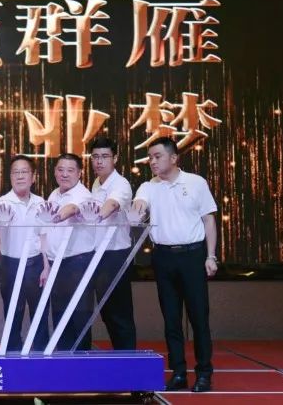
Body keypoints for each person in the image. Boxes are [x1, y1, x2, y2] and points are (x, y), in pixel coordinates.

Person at [132, 137, 218, 393]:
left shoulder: (196, 182)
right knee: (171, 319)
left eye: (157, 156)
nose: (153, 161)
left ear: (173, 157)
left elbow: (209, 220)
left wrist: (211, 256)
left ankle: (204, 373)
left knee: (198, 317)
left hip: (192, 256)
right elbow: (139, 205)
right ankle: (179, 373)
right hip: (163, 257)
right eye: (150, 157)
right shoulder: (148, 186)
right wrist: (137, 209)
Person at [0, 155, 51, 351]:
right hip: (11, 264)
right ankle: (12, 355)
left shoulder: (40, 202)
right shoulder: (3, 202)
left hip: (36, 263)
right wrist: (3, 221)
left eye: (24, 172)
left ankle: (41, 354)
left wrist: (46, 266)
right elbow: (1, 227)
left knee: (40, 312)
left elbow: (43, 236)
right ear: (10, 177)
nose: (20, 176)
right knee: (13, 313)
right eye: (15, 172)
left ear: (33, 177)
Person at [44, 153, 96, 350]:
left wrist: (57, 217)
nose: (64, 174)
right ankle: (63, 360)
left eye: (70, 170)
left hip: (77, 263)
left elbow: (73, 208)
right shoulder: (54, 194)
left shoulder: (83, 194)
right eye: (60, 169)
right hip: (57, 263)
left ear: (80, 173)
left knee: (79, 315)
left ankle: (82, 362)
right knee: (59, 315)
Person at [88, 137, 137, 350]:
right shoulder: (96, 183)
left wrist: (94, 216)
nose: (99, 161)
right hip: (98, 254)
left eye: (105, 156)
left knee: (119, 312)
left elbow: (112, 205)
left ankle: (129, 362)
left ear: (115, 158)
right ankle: (120, 356)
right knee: (107, 311)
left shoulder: (120, 183)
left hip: (116, 255)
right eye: (95, 157)